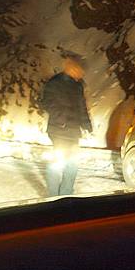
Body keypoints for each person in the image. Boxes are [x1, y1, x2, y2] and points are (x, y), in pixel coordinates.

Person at [40, 55, 93, 197]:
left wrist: (87, 125)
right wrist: (61, 118)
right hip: (59, 130)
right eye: (79, 70)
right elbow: (45, 102)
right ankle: (53, 196)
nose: (81, 73)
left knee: (73, 163)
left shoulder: (78, 86)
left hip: (74, 131)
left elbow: (82, 107)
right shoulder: (54, 83)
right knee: (58, 162)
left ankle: (66, 194)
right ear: (71, 68)